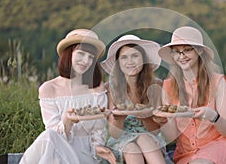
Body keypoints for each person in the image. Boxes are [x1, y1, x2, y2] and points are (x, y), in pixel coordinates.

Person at [19, 29, 116, 164]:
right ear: (68, 53)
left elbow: (98, 128)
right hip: (57, 148)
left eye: (90, 57)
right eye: (81, 54)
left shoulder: (96, 88)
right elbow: (52, 134)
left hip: (85, 152)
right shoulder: (49, 89)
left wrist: (98, 147)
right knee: (49, 136)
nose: (85, 61)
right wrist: (67, 120)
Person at [153, 26, 226, 164]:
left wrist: (211, 115)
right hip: (186, 155)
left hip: (220, 145)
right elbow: (171, 136)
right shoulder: (168, 86)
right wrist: (163, 121)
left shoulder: (217, 82)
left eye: (187, 50)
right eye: (177, 52)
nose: (181, 56)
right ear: (172, 55)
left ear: (199, 51)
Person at [100, 35, 168, 164]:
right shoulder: (110, 88)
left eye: (135, 56)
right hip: (121, 141)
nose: (130, 61)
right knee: (132, 149)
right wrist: (118, 119)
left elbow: (155, 131)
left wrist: (145, 116)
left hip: (149, 137)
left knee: (145, 138)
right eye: (124, 57)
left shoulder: (156, 85)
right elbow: (114, 134)